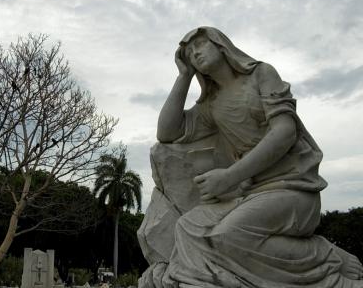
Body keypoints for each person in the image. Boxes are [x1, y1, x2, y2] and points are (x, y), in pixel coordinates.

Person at [155, 26, 363, 287]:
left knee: (229, 235)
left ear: (220, 44)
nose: (194, 54)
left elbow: (285, 132)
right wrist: (183, 77)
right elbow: (167, 131)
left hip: (293, 189)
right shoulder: (212, 105)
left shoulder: (261, 74)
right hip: (251, 195)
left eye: (199, 45)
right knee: (188, 226)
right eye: (188, 53)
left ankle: (326, 257)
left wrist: (229, 178)